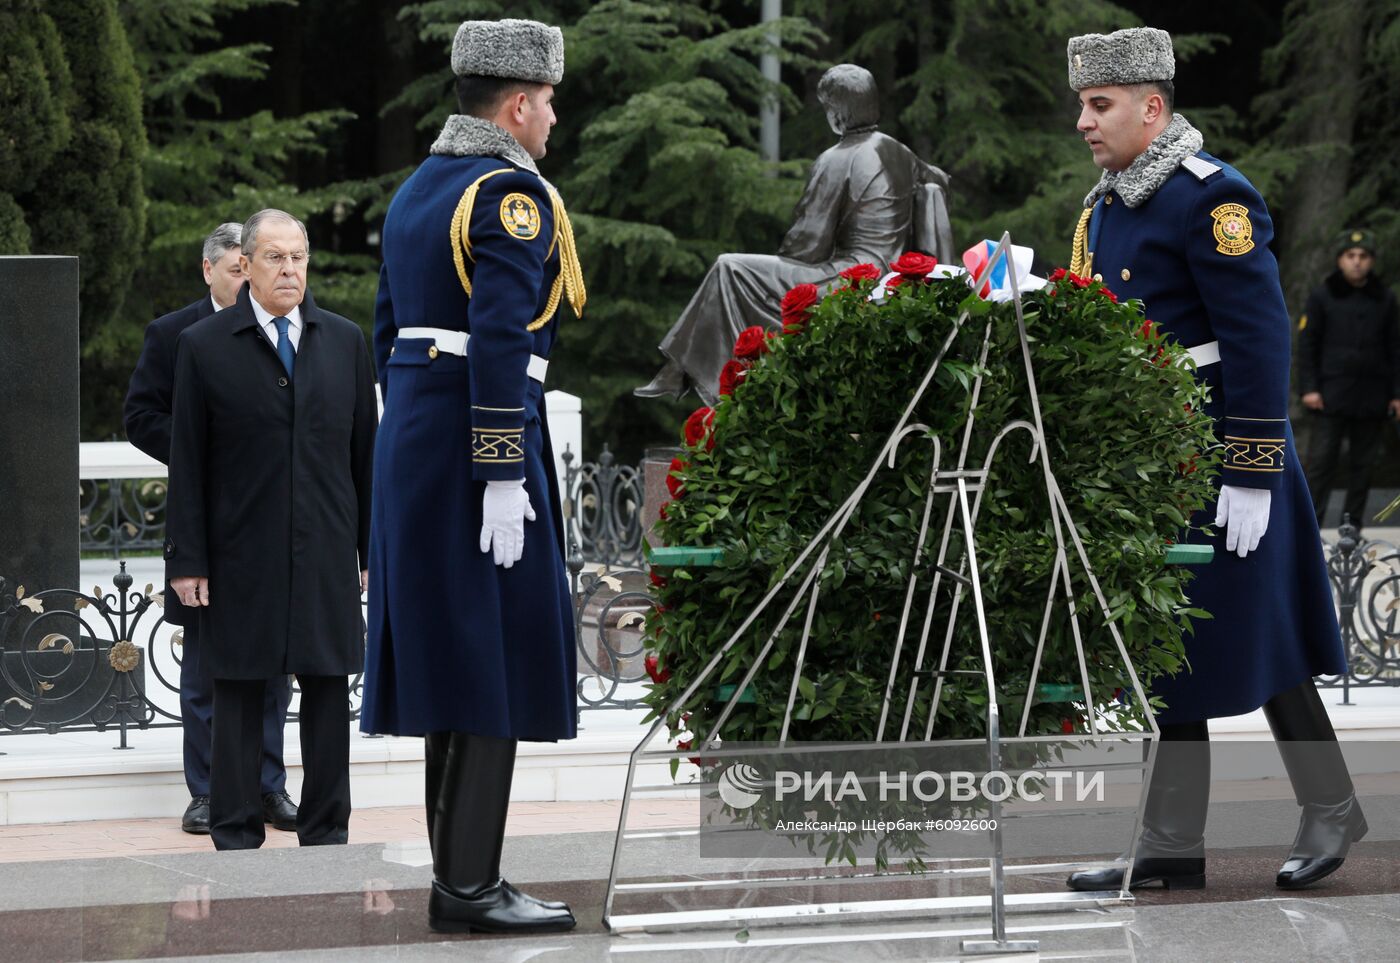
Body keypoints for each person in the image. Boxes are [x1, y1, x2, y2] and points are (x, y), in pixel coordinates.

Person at [1061, 27, 1363, 892]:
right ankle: (1168, 840)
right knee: (1169, 645)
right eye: (1084, 103)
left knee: (1266, 644)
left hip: (1227, 457)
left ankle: (1333, 805)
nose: (1084, 121)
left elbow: (1259, 337)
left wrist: (1254, 467)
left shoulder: (1211, 197)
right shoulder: (1105, 207)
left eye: (1100, 104)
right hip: (1157, 464)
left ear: (1151, 108)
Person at [361, 18, 581, 934]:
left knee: (456, 662)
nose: (556, 120)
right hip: (476, 441)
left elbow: (385, 331)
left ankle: (463, 877)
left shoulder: (419, 188)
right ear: (518, 104)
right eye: (550, 103)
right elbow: (499, 336)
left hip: (420, 437)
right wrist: (500, 467)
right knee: (490, 654)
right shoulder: (507, 193)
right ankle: (469, 886)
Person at [166, 209, 377, 851]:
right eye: (275, 258)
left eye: (299, 258)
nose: (290, 270)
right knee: (236, 689)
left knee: (324, 688)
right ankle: (233, 829)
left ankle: (325, 828)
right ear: (246, 266)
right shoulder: (203, 347)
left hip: (325, 551)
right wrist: (187, 561)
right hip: (239, 553)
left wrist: (371, 551)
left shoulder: (345, 341)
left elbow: (364, 457)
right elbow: (189, 464)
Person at [635, 63, 954, 403]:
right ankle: (681, 371)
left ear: (839, 112)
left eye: (828, 108)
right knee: (738, 271)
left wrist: (784, 258)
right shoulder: (900, 151)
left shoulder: (837, 159)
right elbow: (938, 182)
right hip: (889, 276)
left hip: (850, 277)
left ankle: (683, 371)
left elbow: (808, 246)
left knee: (731, 268)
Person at [123, 223, 297, 837]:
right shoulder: (175, 335)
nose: (247, 279)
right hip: (206, 521)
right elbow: (140, 415)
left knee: (276, 669)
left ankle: (269, 786)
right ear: (211, 270)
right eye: (235, 269)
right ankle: (206, 793)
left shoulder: (287, 334)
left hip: (275, 526)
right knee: (204, 670)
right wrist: (201, 449)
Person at [1298, 229, 1400, 530]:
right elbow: (1308, 344)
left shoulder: (1385, 298)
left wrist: (1396, 393)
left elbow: (1395, 346)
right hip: (1331, 394)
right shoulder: (1322, 295)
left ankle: (1352, 525)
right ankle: (1311, 525)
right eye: (1350, 256)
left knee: (1363, 465)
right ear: (1340, 259)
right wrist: (1309, 387)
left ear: (1371, 261)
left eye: (1363, 256)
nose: (1357, 262)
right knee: (1322, 463)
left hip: (1372, 395)